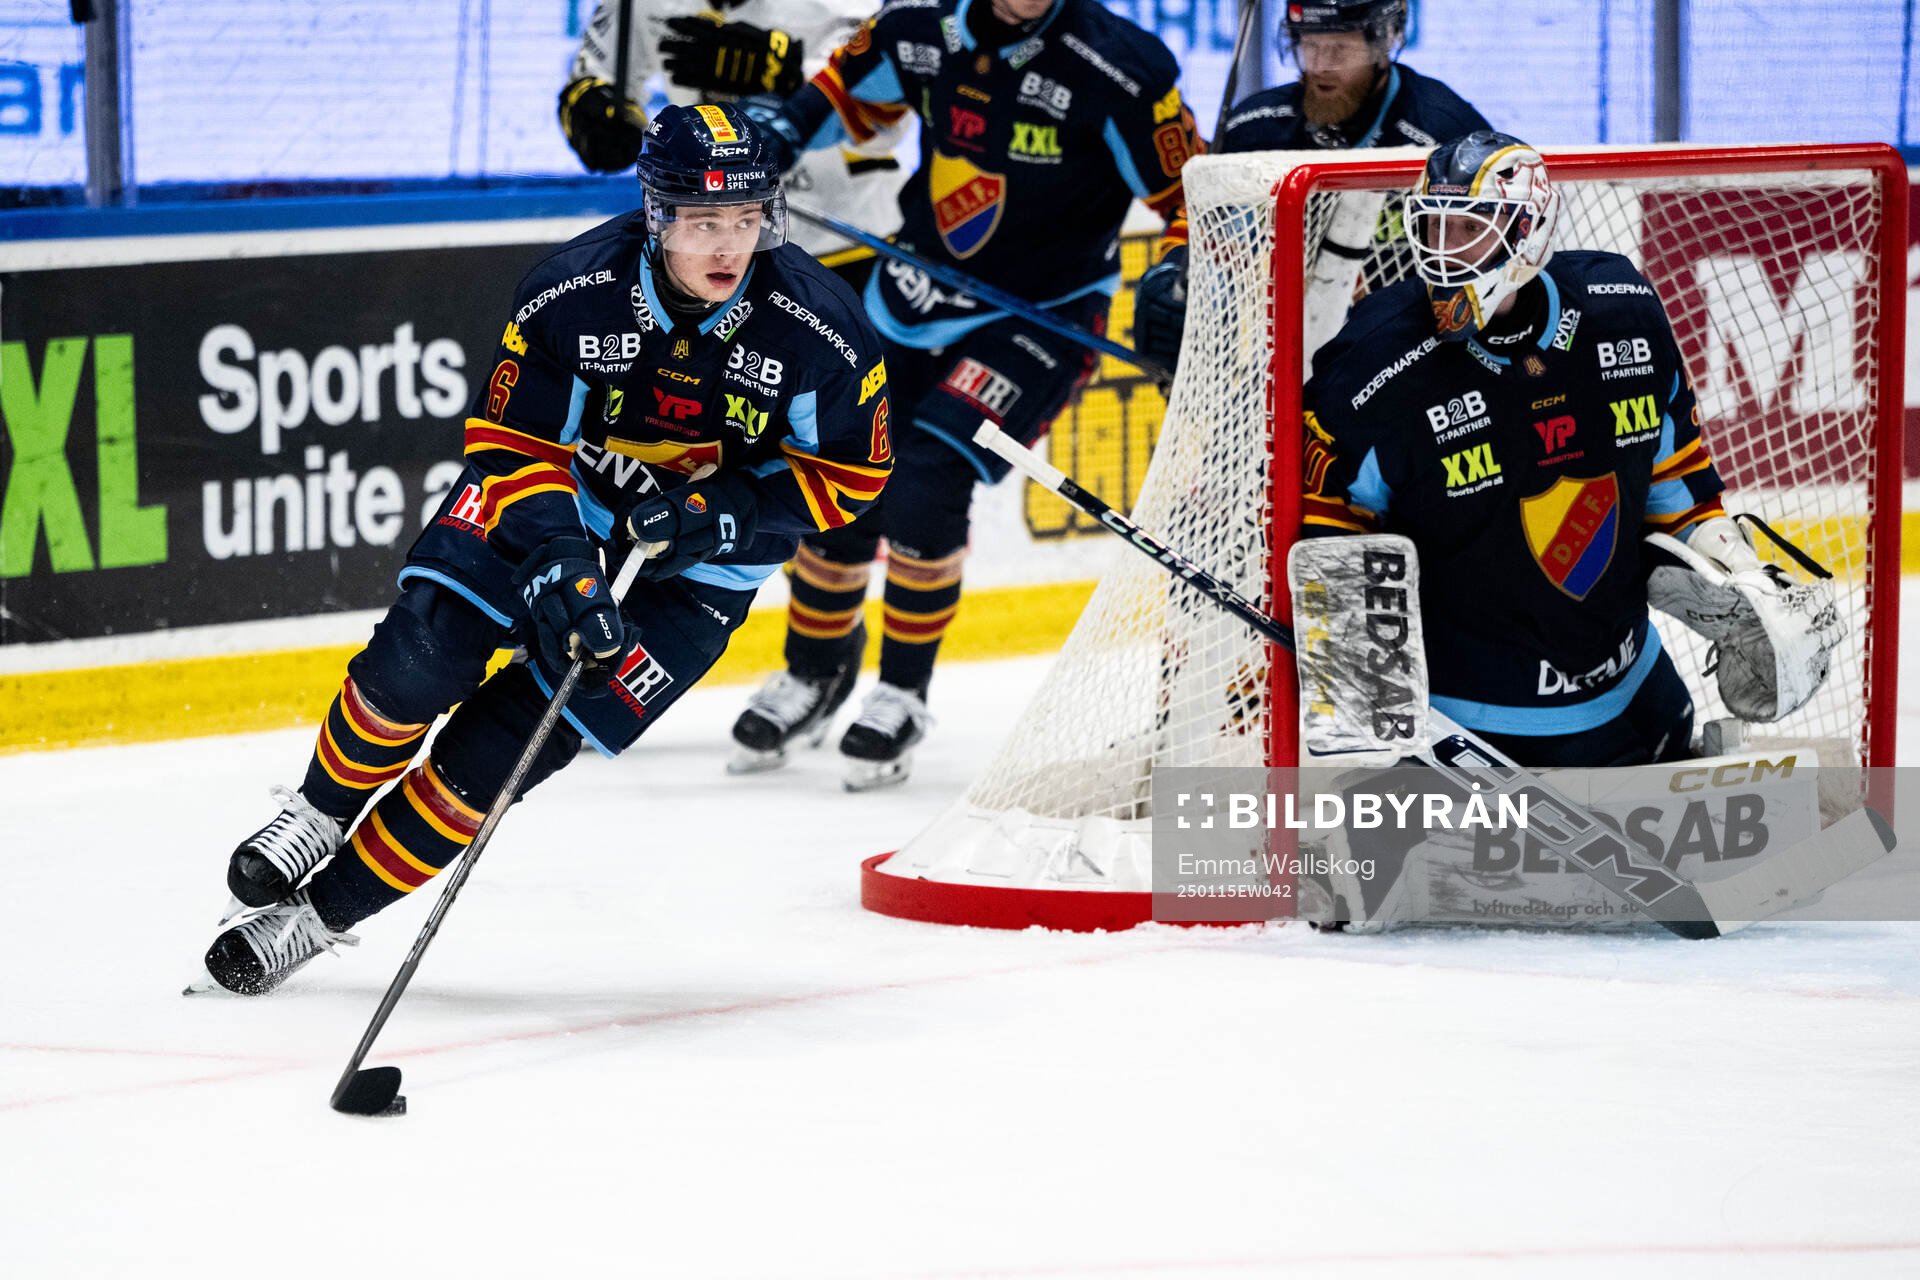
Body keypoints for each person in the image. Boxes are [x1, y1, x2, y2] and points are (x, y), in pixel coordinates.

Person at [195, 103, 891, 995]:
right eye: (705, 222)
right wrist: (562, 552)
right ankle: (317, 813)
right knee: (422, 656)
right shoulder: (574, 290)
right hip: (557, 510)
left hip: (697, 573)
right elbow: (511, 439)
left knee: (496, 757)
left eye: (748, 219)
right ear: (656, 214)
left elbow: (849, 478)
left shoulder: (820, 329)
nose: (729, 246)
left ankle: (317, 917)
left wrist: (724, 514)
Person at [724, 0, 1202, 790]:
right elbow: (845, 90)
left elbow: (1189, 196)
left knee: (926, 481)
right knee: (836, 466)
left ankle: (901, 695)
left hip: (1039, 317)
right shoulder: (919, 28)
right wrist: (779, 134)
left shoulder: (1121, 68)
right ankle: (813, 675)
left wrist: (1179, 276)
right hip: (911, 292)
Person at [1296, 131, 1838, 770]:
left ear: (1528, 232)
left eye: (1467, 232)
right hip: (1468, 735)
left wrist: (1740, 571)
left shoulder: (1623, 309)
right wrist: (1365, 708)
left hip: (1640, 698)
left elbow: (1676, 484)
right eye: (1431, 230)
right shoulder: (1372, 365)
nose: (1442, 257)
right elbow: (1329, 529)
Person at [1132, 0, 1490, 372]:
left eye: (1339, 48)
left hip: (1410, 362)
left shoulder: (1444, 134)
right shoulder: (1254, 130)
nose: (1320, 65)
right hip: (1282, 365)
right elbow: (1199, 217)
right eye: (1309, 45)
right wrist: (1171, 275)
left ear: (1383, 42)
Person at [558, 0, 909, 274]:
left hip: (845, 241)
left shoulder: (849, 6)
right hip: (704, 245)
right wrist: (596, 115)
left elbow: (887, 126)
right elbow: (593, 78)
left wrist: (789, 73)